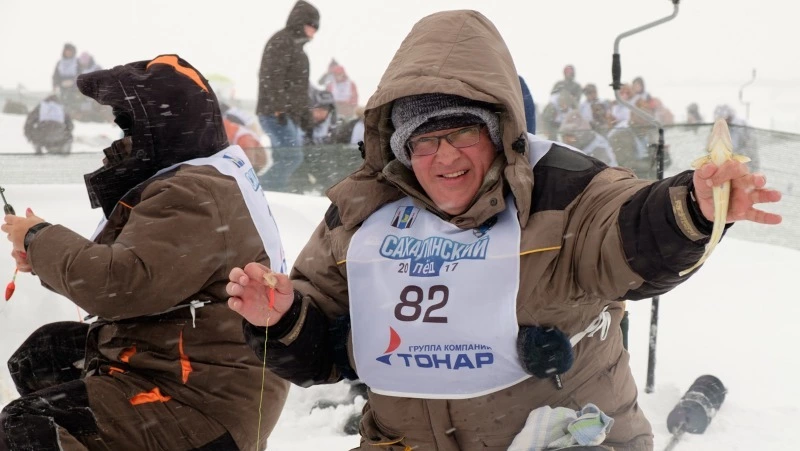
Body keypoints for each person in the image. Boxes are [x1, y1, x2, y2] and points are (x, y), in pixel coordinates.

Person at [225, 10, 782, 451]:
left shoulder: (567, 190)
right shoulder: (362, 213)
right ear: (399, 149)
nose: (443, 156)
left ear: (500, 131)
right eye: (423, 140)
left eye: (463, 132)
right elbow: (328, 346)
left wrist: (694, 205)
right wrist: (282, 317)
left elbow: (626, 231)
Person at [1, 55, 290, 450]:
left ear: (161, 128)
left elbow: (119, 284)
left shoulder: (193, 193)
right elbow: (131, 269)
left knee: (29, 423)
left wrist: (40, 237)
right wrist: (43, 254)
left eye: (128, 128)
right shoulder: (202, 176)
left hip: (203, 401)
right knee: (44, 355)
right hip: (185, 365)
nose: (119, 143)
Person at [256, 0, 320, 192]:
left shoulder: (298, 49)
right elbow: (271, 76)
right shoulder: (281, 41)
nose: (314, 32)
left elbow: (300, 90)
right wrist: (279, 108)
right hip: (275, 113)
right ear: (302, 22)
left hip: (286, 114)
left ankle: (273, 194)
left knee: (284, 157)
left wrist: (306, 117)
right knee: (292, 157)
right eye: (312, 26)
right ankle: (259, 190)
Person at [52, 43, 81, 114]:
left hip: (74, 87)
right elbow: (56, 75)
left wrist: (73, 82)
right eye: (66, 51)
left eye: (70, 51)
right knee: (63, 102)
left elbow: (81, 74)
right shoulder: (59, 63)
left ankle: (73, 115)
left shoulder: (77, 62)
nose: (68, 52)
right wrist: (55, 84)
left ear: (73, 52)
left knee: (73, 102)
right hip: (62, 86)